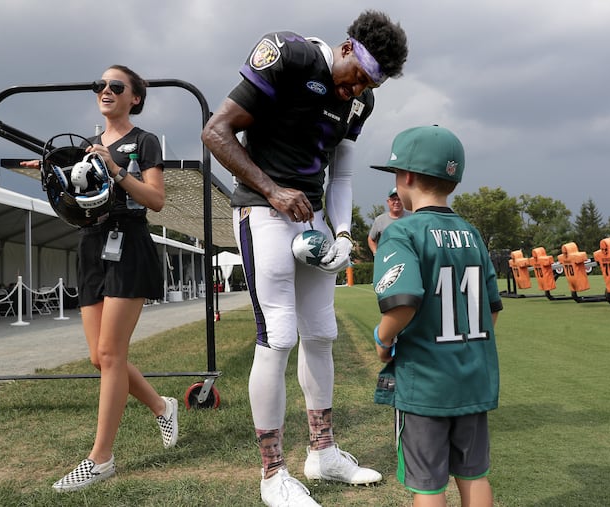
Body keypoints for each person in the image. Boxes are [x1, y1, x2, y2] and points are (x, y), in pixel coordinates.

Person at [201, 10, 408, 507]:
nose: (358, 89)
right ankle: (272, 473)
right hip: (262, 208)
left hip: (310, 216)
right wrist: (272, 191)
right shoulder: (289, 56)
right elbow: (216, 132)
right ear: (344, 48)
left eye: (370, 83)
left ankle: (323, 452)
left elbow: (340, 176)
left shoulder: (362, 102)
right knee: (278, 333)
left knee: (322, 333)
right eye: (357, 75)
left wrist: (340, 233)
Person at [22, 65, 178, 492]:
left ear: (135, 98)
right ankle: (162, 407)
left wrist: (116, 169)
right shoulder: (87, 145)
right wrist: (54, 171)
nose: (105, 91)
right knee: (99, 357)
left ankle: (101, 458)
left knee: (111, 354)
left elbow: (157, 200)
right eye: (100, 86)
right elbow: (77, 195)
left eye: (115, 86)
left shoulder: (144, 141)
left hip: (129, 241)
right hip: (91, 243)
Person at [370, 126, 502, 507]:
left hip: (426, 383)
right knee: (474, 476)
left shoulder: (402, 232)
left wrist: (383, 340)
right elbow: (491, 308)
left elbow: (403, 301)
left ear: (407, 176)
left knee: (428, 486)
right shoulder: (473, 235)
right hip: (473, 380)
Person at [368, 186, 410, 254]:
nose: (396, 202)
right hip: (387, 259)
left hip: (406, 257)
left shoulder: (412, 218)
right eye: (394, 199)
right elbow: (371, 239)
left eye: (399, 199)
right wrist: (376, 254)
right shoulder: (380, 220)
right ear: (388, 201)